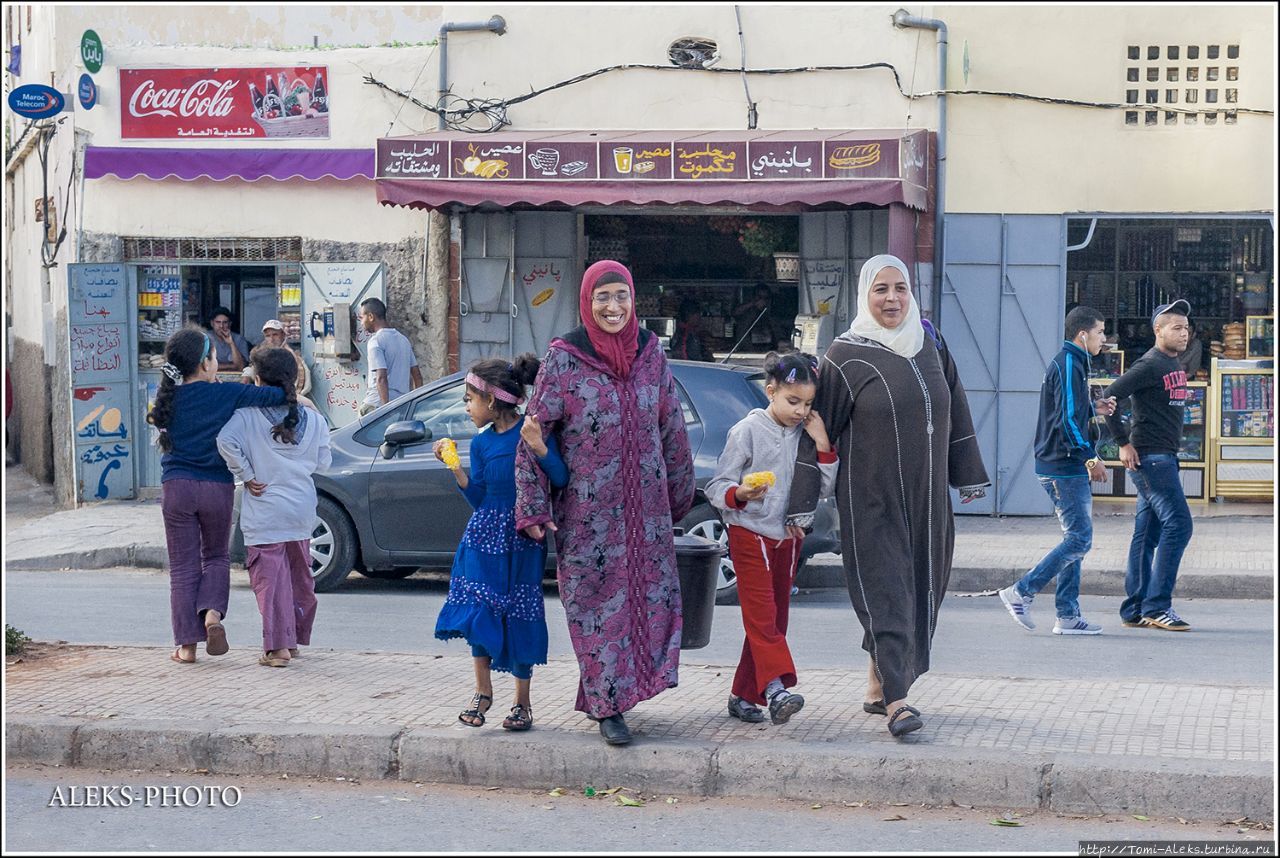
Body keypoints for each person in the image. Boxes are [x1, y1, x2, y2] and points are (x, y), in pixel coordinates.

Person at [514, 259, 696, 747]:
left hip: (647, 512)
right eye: (603, 297)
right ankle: (608, 706)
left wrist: (679, 492)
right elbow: (534, 432)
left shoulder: (651, 353)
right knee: (595, 607)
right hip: (589, 516)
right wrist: (532, 506)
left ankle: (612, 695)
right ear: (587, 302)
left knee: (645, 602)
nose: (613, 307)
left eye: (621, 297)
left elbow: (671, 426)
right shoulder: (564, 359)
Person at [813, 254, 990, 739]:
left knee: (920, 591)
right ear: (864, 297)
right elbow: (818, 432)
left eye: (900, 289)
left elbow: (955, 404)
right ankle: (898, 702)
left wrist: (967, 472)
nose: (892, 299)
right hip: (871, 500)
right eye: (880, 290)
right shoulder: (844, 357)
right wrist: (803, 500)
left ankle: (877, 683)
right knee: (888, 593)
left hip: (928, 500)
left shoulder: (929, 342)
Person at [432, 356, 568, 731]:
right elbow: (481, 498)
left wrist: (540, 446)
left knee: (519, 613)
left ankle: (522, 703)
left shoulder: (529, 432)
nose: (466, 407)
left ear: (491, 401)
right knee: (479, 611)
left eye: (469, 399)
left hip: (524, 540)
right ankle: (483, 692)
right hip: (481, 538)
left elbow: (559, 476)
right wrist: (456, 469)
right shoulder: (481, 444)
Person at [708, 351, 838, 725]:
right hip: (749, 533)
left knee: (774, 621)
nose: (800, 411)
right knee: (763, 617)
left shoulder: (808, 435)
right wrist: (742, 495)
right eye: (793, 401)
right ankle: (777, 690)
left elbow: (824, 489)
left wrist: (824, 442)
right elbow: (718, 486)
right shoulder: (746, 431)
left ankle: (743, 694)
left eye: (808, 403)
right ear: (770, 392)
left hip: (789, 539)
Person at [146, 327, 286, 665]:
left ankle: (186, 647)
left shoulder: (167, 399)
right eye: (213, 357)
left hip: (177, 487)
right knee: (216, 557)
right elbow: (275, 396)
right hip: (217, 489)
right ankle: (212, 614)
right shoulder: (227, 394)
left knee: (182, 567)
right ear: (206, 363)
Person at [997, 306, 1119, 636]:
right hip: (1062, 465)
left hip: (1064, 462)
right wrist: (1090, 457)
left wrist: (1095, 409)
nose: (1103, 338)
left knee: (1074, 539)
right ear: (1083, 334)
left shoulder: (1076, 363)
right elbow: (1064, 420)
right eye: (1100, 332)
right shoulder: (1068, 363)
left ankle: (1067, 615)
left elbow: (1069, 411)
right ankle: (1021, 591)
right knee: (1080, 538)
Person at [216, 347, 331, 668]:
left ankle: (277, 648)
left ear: (257, 380)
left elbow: (225, 442)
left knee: (270, 581)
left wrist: (247, 475)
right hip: (301, 509)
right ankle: (293, 640)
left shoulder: (246, 417)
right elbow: (323, 461)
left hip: (265, 509)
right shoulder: (314, 418)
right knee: (298, 577)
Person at [1102, 300, 1195, 632]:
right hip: (1151, 459)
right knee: (1180, 526)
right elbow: (1107, 399)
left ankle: (1135, 608)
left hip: (1164, 456)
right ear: (1158, 330)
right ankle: (1157, 606)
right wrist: (1122, 442)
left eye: (1186, 327)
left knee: (1147, 534)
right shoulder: (1150, 364)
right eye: (1176, 327)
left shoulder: (1175, 364)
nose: (1184, 333)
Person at [359, 298, 423, 415]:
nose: (361, 322)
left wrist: (385, 411)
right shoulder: (403, 340)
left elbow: (381, 378)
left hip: (376, 405)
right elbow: (417, 376)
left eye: (362, 317)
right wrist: (416, 406)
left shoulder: (375, 341)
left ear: (371, 317)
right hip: (401, 406)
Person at [241, 319, 310, 396]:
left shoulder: (290, 356)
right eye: (268, 336)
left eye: (275, 335)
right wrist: (247, 374)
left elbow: (298, 386)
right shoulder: (265, 354)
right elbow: (254, 367)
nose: (271, 339)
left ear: (283, 335)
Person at [734, 283, 783, 351]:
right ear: (754, 297)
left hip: (768, 349)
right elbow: (735, 312)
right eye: (760, 297)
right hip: (747, 350)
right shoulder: (747, 311)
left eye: (766, 298)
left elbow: (777, 334)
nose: (762, 301)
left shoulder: (772, 314)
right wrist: (753, 303)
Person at [208, 306, 252, 373]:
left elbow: (241, 367)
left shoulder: (239, 339)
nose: (221, 326)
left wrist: (231, 343)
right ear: (212, 323)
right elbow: (205, 366)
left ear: (230, 324)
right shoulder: (205, 338)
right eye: (218, 322)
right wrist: (232, 366)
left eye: (225, 322)